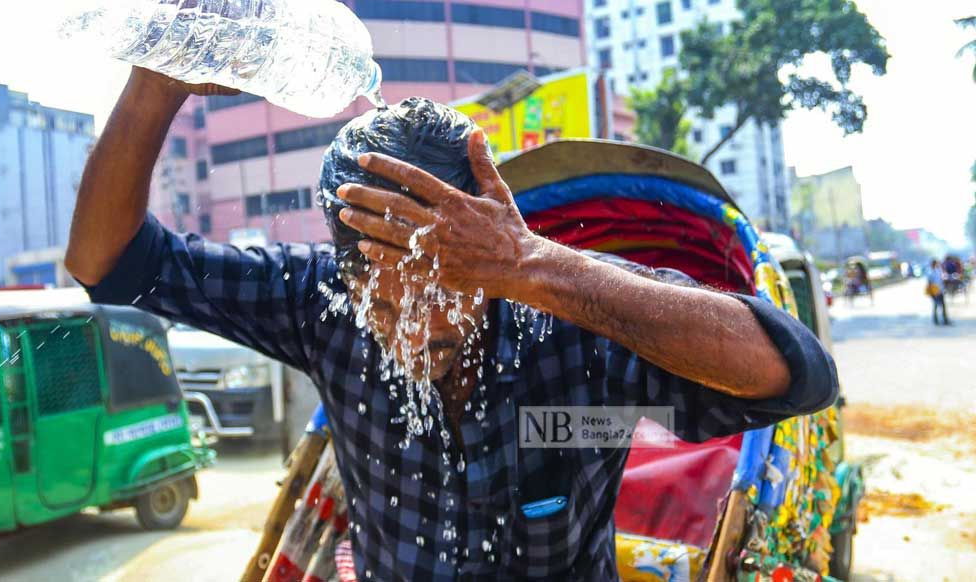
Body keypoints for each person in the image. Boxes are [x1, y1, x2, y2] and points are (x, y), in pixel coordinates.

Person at [65, 68, 838, 580]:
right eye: (388, 293)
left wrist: (529, 265)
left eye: (449, 281)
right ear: (349, 272)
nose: (417, 319)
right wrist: (155, 87)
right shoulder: (321, 304)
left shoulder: (566, 320)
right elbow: (106, 262)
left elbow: (796, 375)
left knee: (571, 424)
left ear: (488, 249)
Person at [927, 259, 950, 325]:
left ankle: (944, 320)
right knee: (936, 306)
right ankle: (936, 320)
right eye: (937, 264)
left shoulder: (939, 271)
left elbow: (943, 280)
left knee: (942, 306)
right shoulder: (930, 272)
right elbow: (929, 283)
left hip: (940, 291)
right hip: (935, 292)